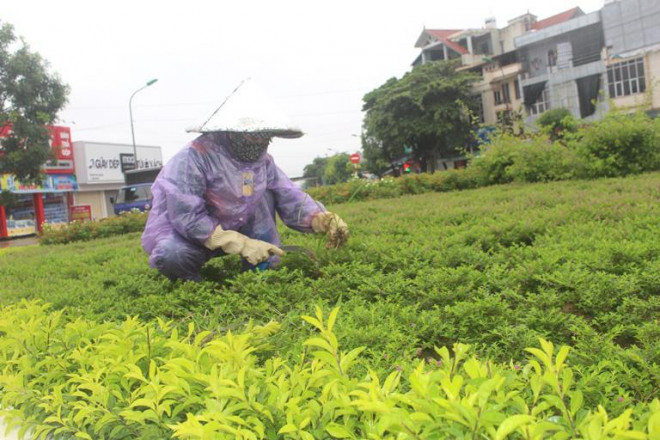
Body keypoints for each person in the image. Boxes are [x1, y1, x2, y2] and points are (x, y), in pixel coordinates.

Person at [141, 79, 348, 281]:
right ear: (232, 131)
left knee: (265, 193)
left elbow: (289, 195)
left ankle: (260, 271)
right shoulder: (193, 158)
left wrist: (321, 218)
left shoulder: (263, 162)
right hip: (192, 236)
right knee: (173, 255)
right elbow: (186, 215)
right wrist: (234, 241)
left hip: (240, 229)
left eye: (264, 136)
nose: (259, 142)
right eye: (253, 136)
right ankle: (193, 287)